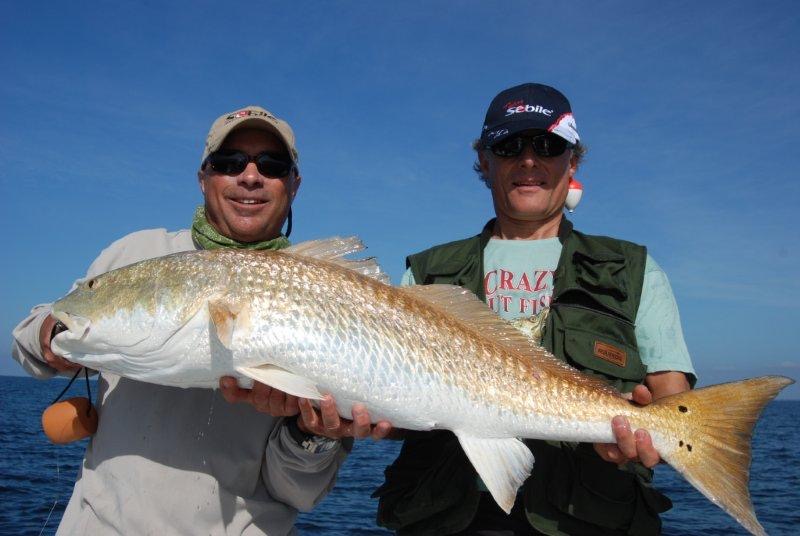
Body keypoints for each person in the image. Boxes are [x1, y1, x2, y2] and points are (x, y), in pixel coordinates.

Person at [12, 105, 390, 535]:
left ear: (294, 185)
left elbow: (298, 494)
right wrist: (46, 337)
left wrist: (313, 434)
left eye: (272, 165)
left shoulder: (330, 292)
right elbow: (41, 330)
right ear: (203, 178)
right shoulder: (138, 252)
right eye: (228, 163)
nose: (250, 176)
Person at [374, 83, 696, 536]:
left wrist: (647, 441)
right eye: (508, 146)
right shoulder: (425, 275)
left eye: (548, 145)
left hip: (588, 518)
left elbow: (672, 401)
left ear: (573, 161)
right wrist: (354, 419)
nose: (528, 160)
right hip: (447, 517)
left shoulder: (633, 269)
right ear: (485, 161)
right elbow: (400, 407)